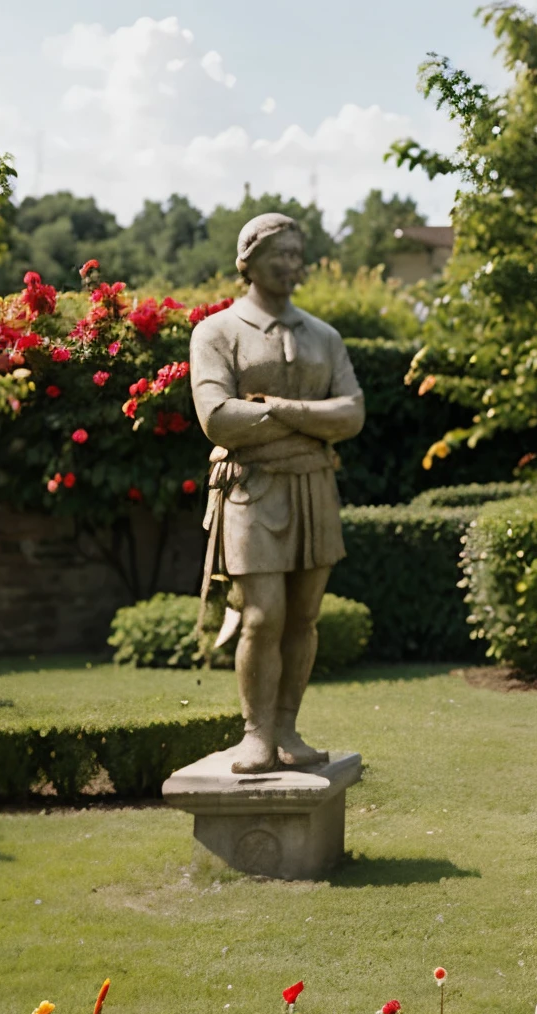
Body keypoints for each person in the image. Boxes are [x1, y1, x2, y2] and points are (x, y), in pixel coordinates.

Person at [190, 213, 365, 774]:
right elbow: (218, 417)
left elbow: (353, 413)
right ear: (247, 260)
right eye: (278, 253)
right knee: (263, 615)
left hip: (315, 486)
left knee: (304, 617)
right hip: (251, 488)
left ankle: (287, 726)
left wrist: (278, 409)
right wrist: (315, 421)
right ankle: (256, 733)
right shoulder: (217, 332)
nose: (291, 264)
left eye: (297, 253)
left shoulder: (324, 336)